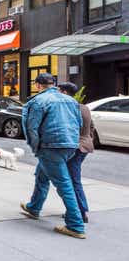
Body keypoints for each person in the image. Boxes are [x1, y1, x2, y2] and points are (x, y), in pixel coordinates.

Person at [20, 73, 85, 239]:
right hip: (70, 145)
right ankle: (34, 207)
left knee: (64, 184)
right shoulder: (71, 100)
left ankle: (75, 225)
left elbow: (31, 129)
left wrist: (36, 149)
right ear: (53, 84)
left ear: (38, 85)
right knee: (42, 175)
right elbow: (79, 123)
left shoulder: (37, 101)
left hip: (50, 146)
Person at [58, 82, 93, 223]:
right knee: (71, 179)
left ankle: (80, 211)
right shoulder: (84, 107)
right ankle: (75, 209)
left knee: (73, 180)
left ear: (65, 93)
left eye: (59, 91)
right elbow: (91, 127)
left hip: (75, 147)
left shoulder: (69, 108)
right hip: (84, 145)